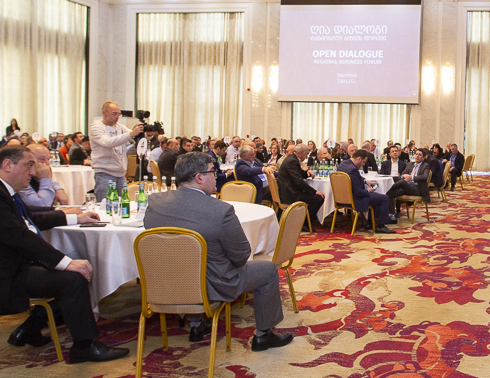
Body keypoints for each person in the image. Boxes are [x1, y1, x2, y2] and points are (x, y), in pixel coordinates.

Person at [0, 146, 128, 362]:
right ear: (7, 165)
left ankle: (30, 327)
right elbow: (18, 236)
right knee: (73, 279)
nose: (33, 172)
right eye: (28, 165)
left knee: (74, 269)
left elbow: (30, 219)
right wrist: (65, 262)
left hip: (4, 263)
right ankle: (84, 346)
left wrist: (74, 218)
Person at [143, 152, 294, 349]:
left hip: (165, 281)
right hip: (213, 284)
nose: (217, 176)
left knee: (188, 263)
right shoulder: (220, 210)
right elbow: (241, 256)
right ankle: (264, 334)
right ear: (199, 178)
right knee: (269, 270)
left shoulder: (154, 203)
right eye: (213, 172)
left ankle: (197, 324)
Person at [89, 101, 144, 201]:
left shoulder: (120, 127)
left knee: (122, 203)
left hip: (121, 174)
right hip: (105, 173)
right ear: (104, 112)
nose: (117, 117)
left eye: (119, 114)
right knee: (105, 204)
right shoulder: (96, 127)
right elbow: (108, 142)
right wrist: (131, 134)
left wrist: (144, 133)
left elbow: (133, 137)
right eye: (114, 114)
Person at [338, 149, 396, 233]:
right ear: (359, 159)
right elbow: (358, 192)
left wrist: (366, 181)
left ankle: (370, 223)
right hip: (355, 199)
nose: (364, 164)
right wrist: (368, 190)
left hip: (342, 198)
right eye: (363, 162)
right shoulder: (353, 170)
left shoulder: (343, 164)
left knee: (376, 197)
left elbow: (355, 177)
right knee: (384, 198)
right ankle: (381, 226)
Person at [277, 144, 326, 227]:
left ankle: (305, 220)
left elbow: (297, 174)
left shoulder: (292, 158)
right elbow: (298, 182)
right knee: (319, 198)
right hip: (290, 194)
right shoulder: (292, 161)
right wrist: (314, 191)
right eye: (306, 154)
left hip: (288, 191)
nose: (306, 156)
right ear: (301, 152)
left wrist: (307, 173)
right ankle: (304, 223)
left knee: (315, 196)